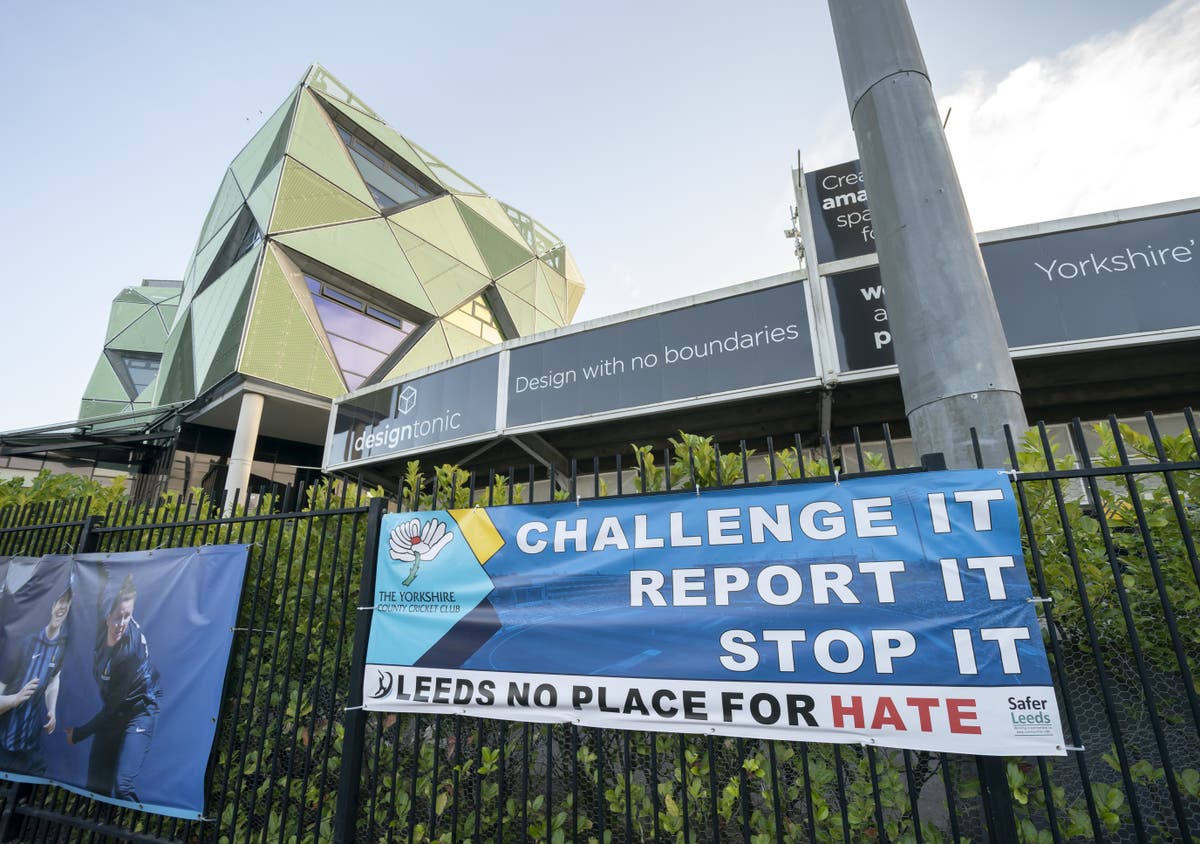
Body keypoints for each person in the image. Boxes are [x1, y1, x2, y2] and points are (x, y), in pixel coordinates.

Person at [66, 575, 160, 801]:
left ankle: (135, 820)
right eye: (118, 617)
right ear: (107, 616)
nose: (122, 624)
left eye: (128, 616)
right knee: (96, 785)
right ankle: (100, 821)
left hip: (140, 709)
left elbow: (110, 709)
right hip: (115, 711)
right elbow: (101, 587)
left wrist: (79, 733)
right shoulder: (103, 623)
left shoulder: (129, 653)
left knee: (122, 785)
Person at [0, 586, 72, 776]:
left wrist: (52, 709)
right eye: (61, 601)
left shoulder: (61, 646)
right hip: (2, 746)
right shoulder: (23, 642)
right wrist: (14, 699)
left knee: (37, 778)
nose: (63, 607)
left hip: (27, 750)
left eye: (68, 603)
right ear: (52, 604)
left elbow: (53, 679)